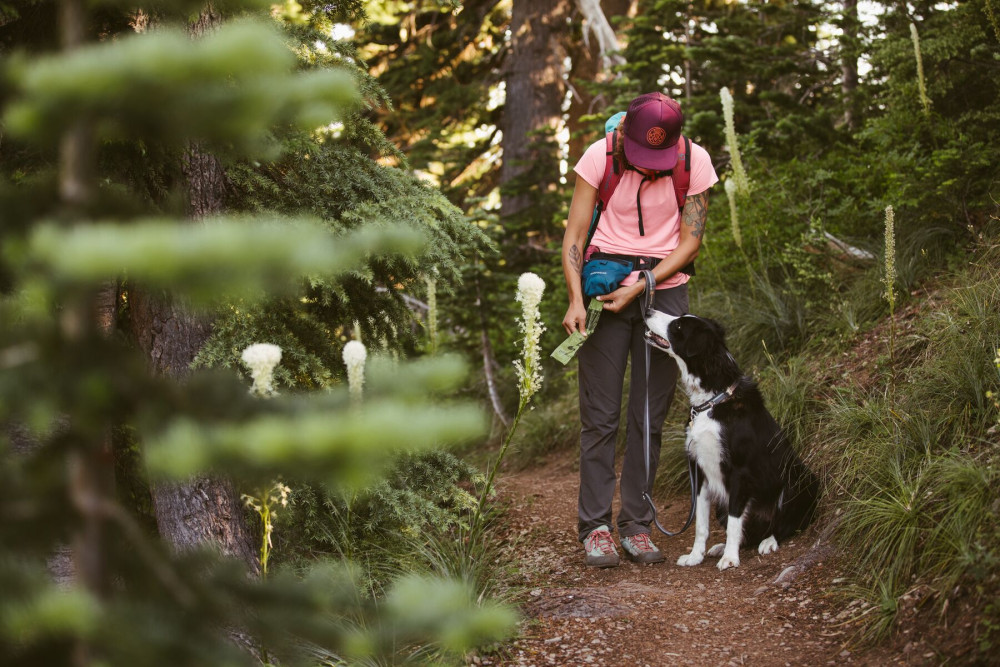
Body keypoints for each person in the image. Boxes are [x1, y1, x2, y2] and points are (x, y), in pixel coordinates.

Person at [561, 92, 718, 567]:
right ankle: (595, 527)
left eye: (658, 160)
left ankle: (636, 526)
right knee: (600, 414)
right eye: (642, 157)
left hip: (664, 295)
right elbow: (574, 235)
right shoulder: (600, 155)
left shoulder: (694, 162)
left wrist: (644, 285)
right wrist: (575, 299)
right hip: (604, 288)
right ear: (626, 136)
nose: (650, 168)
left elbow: (690, 243)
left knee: (649, 415)